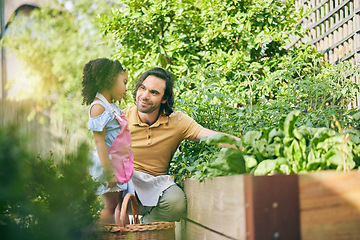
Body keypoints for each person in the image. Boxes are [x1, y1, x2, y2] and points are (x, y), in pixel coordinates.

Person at [123, 67, 238, 223]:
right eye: (142, 88)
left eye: (154, 92)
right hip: (126, 184)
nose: (145, 96)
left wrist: (246, 144)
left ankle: (140, 230)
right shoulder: (121, 119)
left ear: (165, 98)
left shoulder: (177, 121)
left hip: (155, 186)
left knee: (176, 203)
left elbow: (210, 136)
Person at [81, 58, 134, 225]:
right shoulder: (99, 107)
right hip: (108, 166)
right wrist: (108, 173)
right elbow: (99, 143)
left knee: (120, 205)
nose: (126, 88)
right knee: (109, 207)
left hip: (117, 163)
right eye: (124, 82)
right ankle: (101, 235)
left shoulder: (110, 106)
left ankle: (122, 234)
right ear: (109, 80)